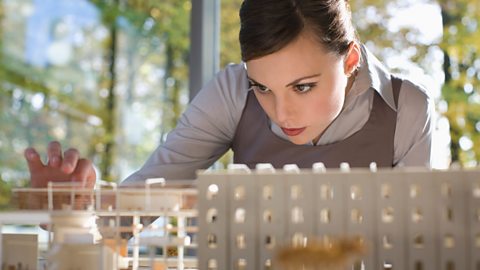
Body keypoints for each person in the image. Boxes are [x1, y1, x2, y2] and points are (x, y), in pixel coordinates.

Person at [24, 0, 434, 188]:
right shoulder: (230, 92)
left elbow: (420, 247)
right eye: (263, 88)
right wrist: (78, 206)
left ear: (349, 62)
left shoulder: (409, 111)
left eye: (303, 86)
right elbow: (148, 195)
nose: (281, 113)